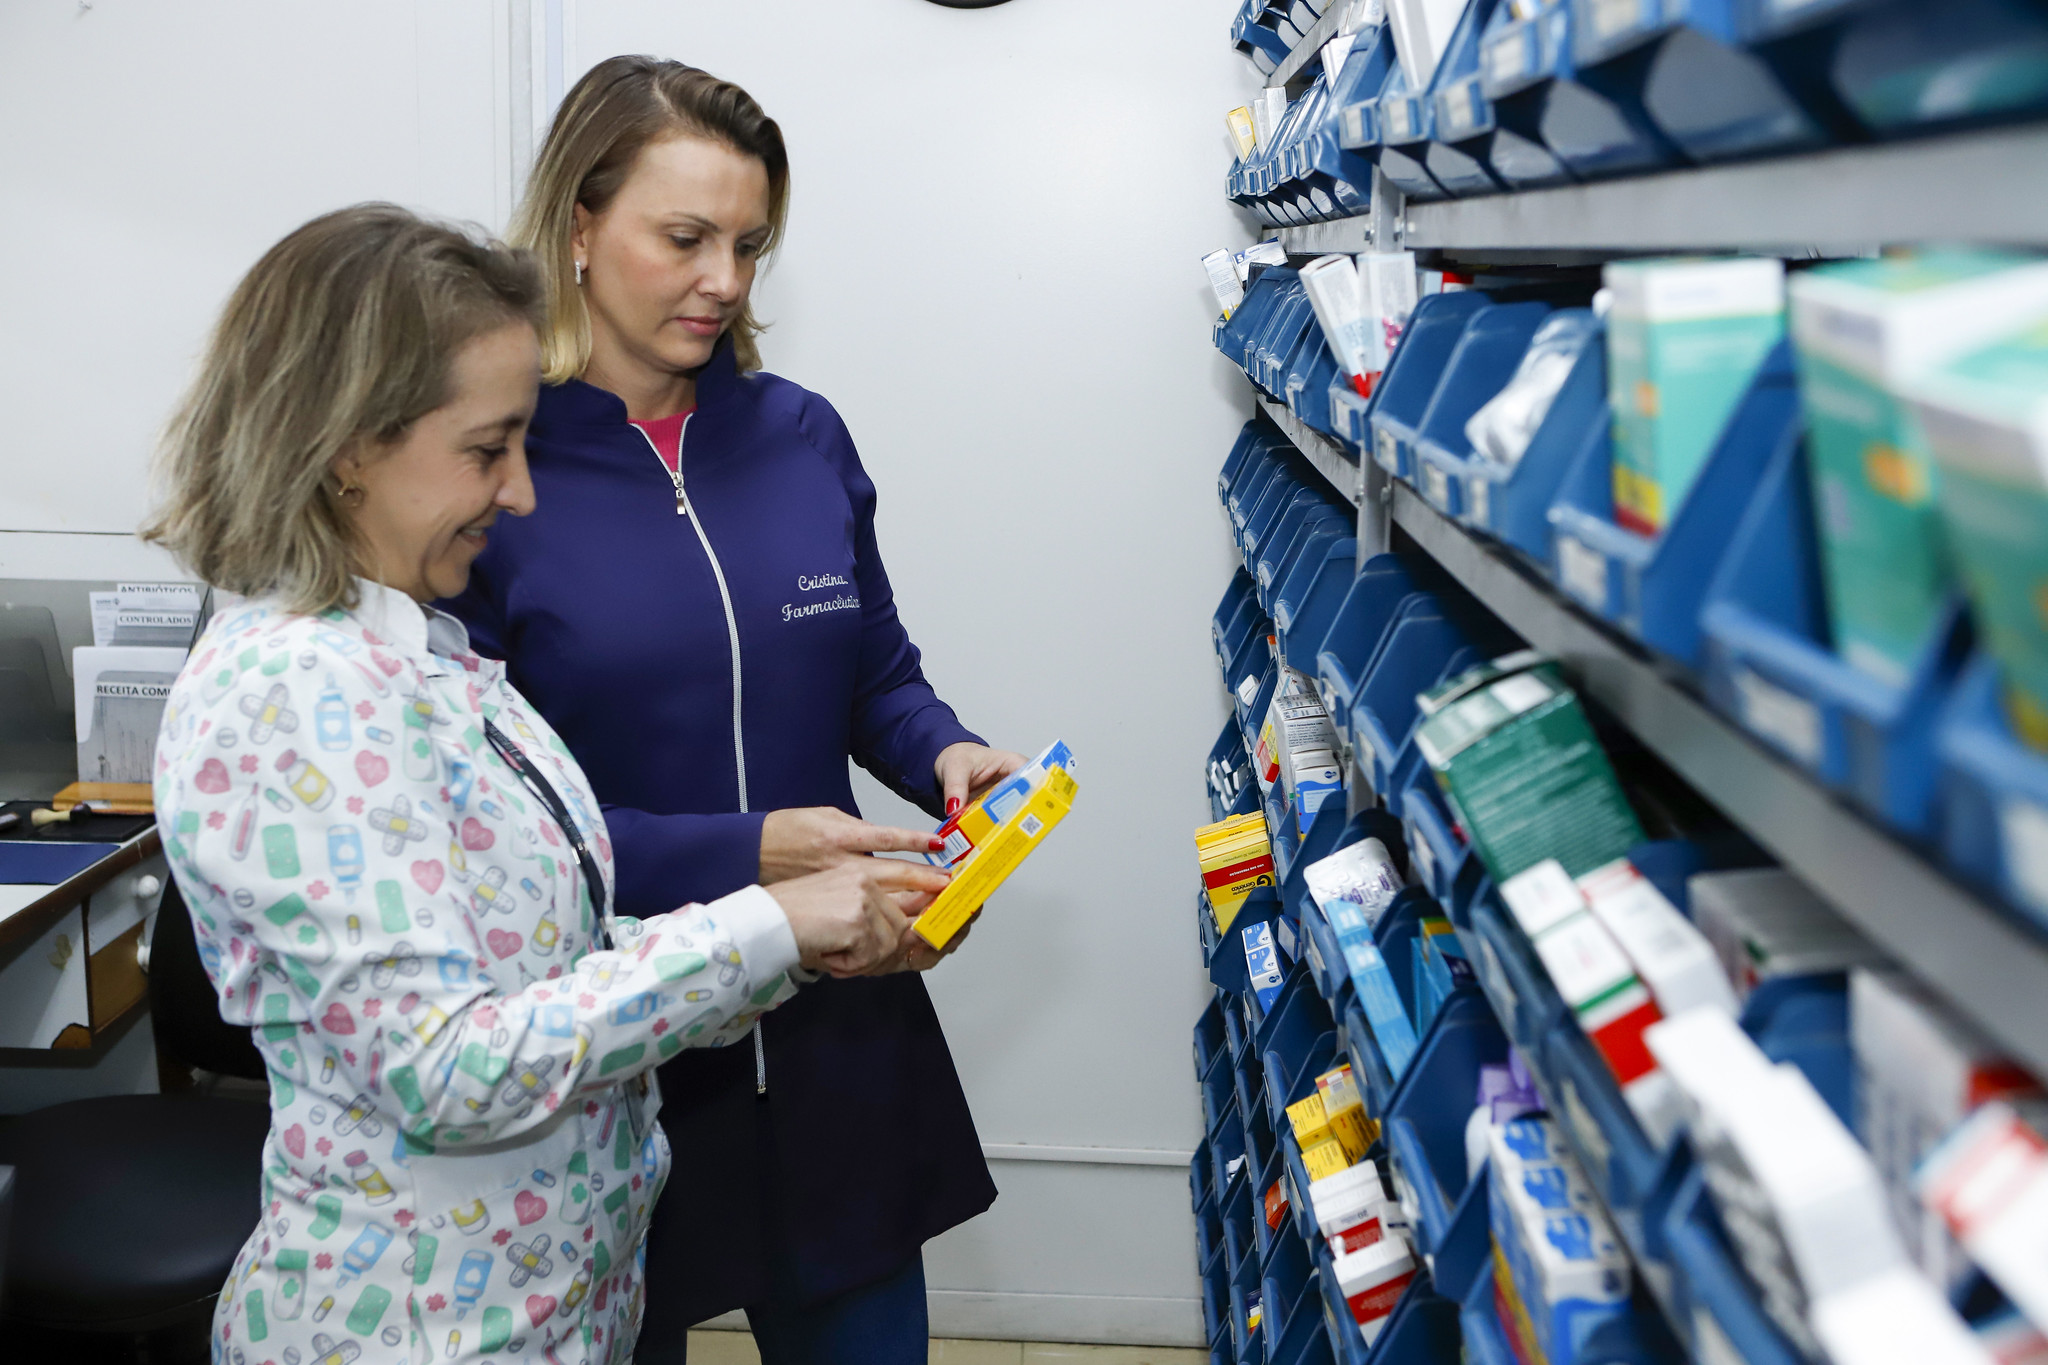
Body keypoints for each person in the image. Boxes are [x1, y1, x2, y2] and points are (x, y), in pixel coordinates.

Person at [144, 204, 949, 1365]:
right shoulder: (287, 695)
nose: (520, 493)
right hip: (418, 1329)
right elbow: (445, 1070)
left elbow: (550, 953)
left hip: (545, 1307)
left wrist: (803, 943)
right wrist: (763, 923)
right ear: (345, 447)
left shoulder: (419, 656)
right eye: (488, 450)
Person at [441, 56, 1026, 1364]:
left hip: (836, 1019)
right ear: (579, 226)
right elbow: (491, 831)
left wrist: (947, 754)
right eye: (685, 238)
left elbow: (873, 671)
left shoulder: (798, 434)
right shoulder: (493, 468)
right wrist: (751, 854)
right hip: (616, 1032)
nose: (725, 280)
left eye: (750, 246)